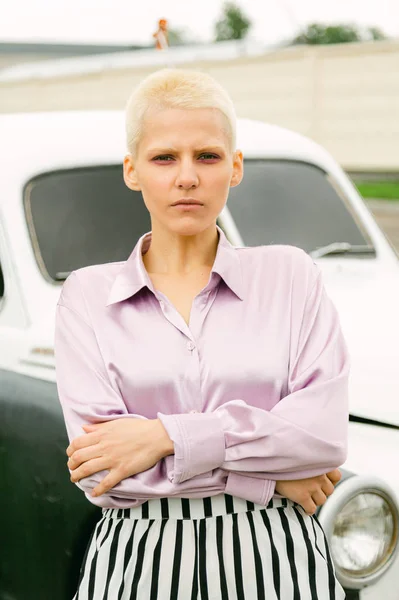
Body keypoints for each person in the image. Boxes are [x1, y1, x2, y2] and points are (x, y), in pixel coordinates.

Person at [54, 67, 349, 599]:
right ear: (132, 170)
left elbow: (322, 438)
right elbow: (106, 475)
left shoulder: (290, 275)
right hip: (139, 564)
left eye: (207, 156)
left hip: (279, 562)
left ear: (234, 168)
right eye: (164, 157)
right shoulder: (86, 296)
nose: (186, 177)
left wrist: (160, 437)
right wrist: (268, 477)